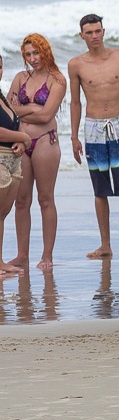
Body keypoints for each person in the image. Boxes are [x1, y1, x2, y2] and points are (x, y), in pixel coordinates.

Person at [68, 14, 119, 259]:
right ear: (81, 35)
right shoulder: (76, 64)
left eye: (97, 31)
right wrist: (74, 137)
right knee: (100, 189)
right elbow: (75, 102)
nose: (94, 36)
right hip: (93, 128)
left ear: (104, 31)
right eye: (89, 32)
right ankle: (105, 245)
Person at [6, 35, 66, 270]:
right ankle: (22, 256)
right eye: (28, 55)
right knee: (21, 201)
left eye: (36, 53)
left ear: (46, 51)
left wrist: (23, 110)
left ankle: (47, 256)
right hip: (21, 142)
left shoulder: (57, 80)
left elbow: (45, 116)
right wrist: (31, 108)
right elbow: (8, 110)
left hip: (45, 142)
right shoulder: (21, 77)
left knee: (45, 199)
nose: (33, 59)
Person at [0, 52, 33, 274]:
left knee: (2, 214)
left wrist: (21, 141)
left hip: (13, 159)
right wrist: (24, 138)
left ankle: (0, 261)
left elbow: (15, 123)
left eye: (0, 66)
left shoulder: (2, 96)